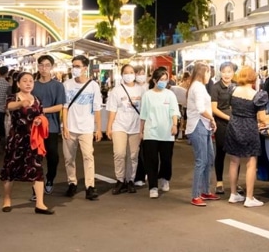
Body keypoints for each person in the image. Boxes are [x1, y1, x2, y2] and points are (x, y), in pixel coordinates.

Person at [0, 71, 53, 215]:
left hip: (34, 140)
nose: (28, 83)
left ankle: (40, 203)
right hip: (16, 138)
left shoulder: (37, 99)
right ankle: (7, 199)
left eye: (30, 81)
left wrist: (39, 120)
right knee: (11, 169)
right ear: (18, 84)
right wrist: (20, 103)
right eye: (25, 81)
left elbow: (41, 115)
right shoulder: (14, 97)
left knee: (37, 169)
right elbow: (9, 106)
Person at [225, 66, 268, 208]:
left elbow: (231, 109)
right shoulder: (258, 95)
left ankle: (233, 194)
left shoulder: (232, 90)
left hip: (233, 126)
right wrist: (265, 121)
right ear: (253, 78)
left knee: (233, 162)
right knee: (251, 162)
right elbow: (262, 118)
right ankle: (249, 198)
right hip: (249, 127)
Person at [62, 54, 102, 201]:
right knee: (69, 158)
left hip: (86, 128)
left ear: (85, 68)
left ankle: (90, 186)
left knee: (88, 156)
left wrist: (98, 128)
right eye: (73, 66)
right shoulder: (67, 84)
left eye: (78, 66)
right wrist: (64, 126)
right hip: (70, 127)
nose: (75, 69)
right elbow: (64, 107)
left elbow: (97, 108)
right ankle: (72, 182)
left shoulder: (93, 86)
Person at [139, 67, 180, 199]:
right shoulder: (147, 95)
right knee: (151, 160)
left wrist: (175, 125)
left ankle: (164, 178)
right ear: (155, 80)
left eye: (165, 79)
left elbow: (174, 111)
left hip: (167, 132)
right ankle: (153, 186)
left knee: (166, 159)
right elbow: (143, 114)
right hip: (151, 132)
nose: (164, 82)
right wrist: (141, 131)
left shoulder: (170, 94)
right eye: (161, 79)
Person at [31, 54, 66, 197]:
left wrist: (42, 110)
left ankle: (50, 178)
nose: (43, 68)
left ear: (52, 67)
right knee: (35, 158)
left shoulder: (57, 86)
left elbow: (60, 106)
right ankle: (36, 188)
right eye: (41, 65)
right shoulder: (32, 84)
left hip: (51, 126)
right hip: (35, 127)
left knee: (52, 156)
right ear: (37, 67)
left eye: (47, 65)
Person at [106, 63, 144, 195]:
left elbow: (144, 111)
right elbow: (112, 110)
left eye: (131, 72)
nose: (129, 75)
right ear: (122, 75)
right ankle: (120, 179)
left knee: (133, 155)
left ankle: (130, 180)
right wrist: (109, 127)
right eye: (126, 72)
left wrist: (143, 128)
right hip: (119, 126)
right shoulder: (116, 90)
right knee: (119, 153)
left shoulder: (141, 90)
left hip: (135, 126)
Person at [186, 62, 218, 207]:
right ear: (202, 73)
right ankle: (196, 194)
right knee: (202, 160)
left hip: (204, 125)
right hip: (198, 125)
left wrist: (210, 121)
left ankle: (205, 190)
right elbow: (200, 109)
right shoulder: (197, 87)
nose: (209, 75)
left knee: (209, 159)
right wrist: (211, 119)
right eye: (208, 73)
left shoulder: (199, 86)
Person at [210, 61, 236, 194]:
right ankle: (219, 182)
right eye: (224, 72)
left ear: (233, 73)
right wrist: (228, 118)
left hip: (235, 123)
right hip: (221, 123)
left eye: (229, 72)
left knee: (236, 154)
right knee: (220, 152)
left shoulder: (236, 86)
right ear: (220, 72)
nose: (226, 75)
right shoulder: (215, 87)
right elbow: (214, 108)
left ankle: (234, 183)